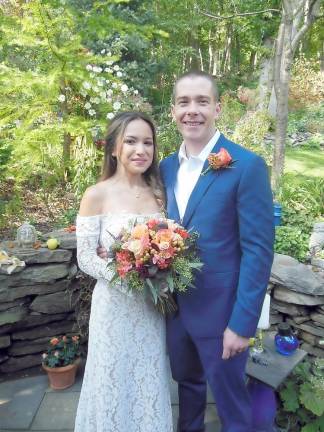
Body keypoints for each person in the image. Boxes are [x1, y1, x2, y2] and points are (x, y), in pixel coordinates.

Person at [159, 71, 274, 432]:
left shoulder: (246, 166)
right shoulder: (163, 167)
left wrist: (242, 324)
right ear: (173, 110)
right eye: (184, 102)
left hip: (222, 316)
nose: (192, 111)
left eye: (202, 101)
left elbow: (258, 251)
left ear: (218, 108)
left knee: (231, 407)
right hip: (175, 312)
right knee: (187, 391)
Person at [74, 112, 172, 432]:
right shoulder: (96, 194)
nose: (140, 149)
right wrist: (126, 276)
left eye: (148, 142)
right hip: (113, 307)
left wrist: (161, 270)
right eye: (131, 141)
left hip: (149, 309)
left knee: (146, 378)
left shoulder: (159, 192)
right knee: (112, 379)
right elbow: (86, 257)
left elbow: (167, 247)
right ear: (114, 147)